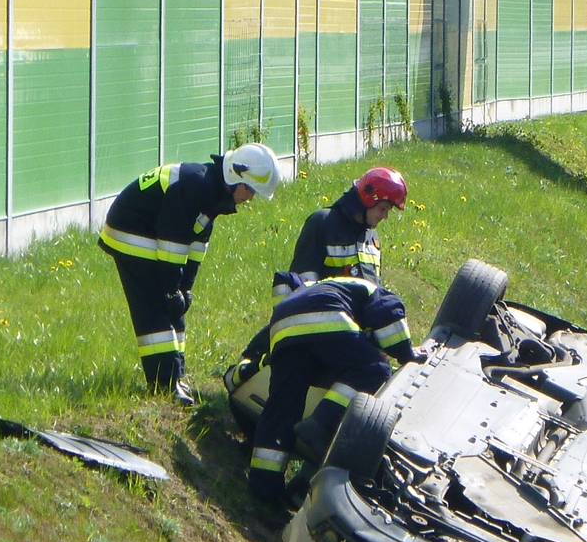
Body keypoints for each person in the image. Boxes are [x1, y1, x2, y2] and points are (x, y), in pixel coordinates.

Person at [100, 143, 281, 405]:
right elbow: (172, 242)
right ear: (235, 176)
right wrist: (170, 289)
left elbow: (196, 244)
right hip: (131, 230)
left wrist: (185, 289)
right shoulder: (197, 186)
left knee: (175, 306)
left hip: (151, 231)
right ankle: (163, 384)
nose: (250, 198)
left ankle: (176, 376)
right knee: (154, 308)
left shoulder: (213, 193)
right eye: (250, 190)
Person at [225, 166, 408, 388]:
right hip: (319, 329)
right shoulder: (323, 223)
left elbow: (374, 295)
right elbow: (302, 290)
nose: (385, 216)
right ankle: (243, 373)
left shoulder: (372, 238)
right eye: (383, 208)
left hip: (351, 335)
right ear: (369, 199)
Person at [247, 276, 425, 504]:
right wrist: (407, 353)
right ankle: (321, 424)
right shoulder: (378, 293)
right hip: (327, 315)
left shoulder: (326, 285)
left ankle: (264, 487)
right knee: (375, 369)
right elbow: (388, 317)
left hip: (282, 328)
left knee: (282, 407)